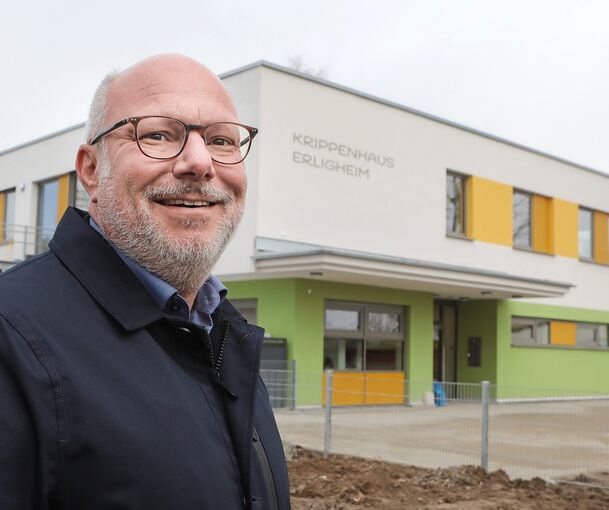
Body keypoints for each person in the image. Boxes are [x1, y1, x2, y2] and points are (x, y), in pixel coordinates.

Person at [0, 54, 290, 510]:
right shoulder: (10, 338)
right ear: (92, 169)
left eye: (221, 140)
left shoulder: (225, 336)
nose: (199, 162)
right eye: (157, 134)